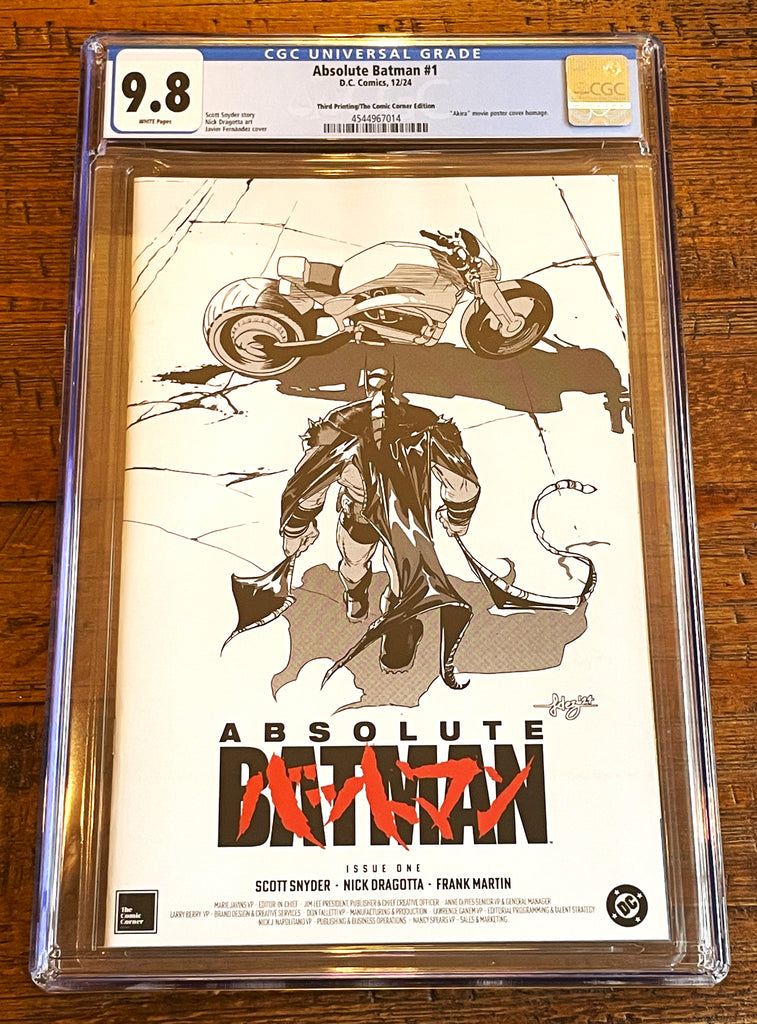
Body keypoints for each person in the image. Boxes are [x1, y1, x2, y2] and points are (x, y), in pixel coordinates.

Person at [279, 367, 479, 689]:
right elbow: (463, 485)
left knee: (377, 569)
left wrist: (298, 530)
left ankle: (381, 615)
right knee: (370, 567)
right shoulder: (422, 427)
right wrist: (457, 518)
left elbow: (307, 489)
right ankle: (368, 604)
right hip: (387, 520)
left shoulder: (341, 430)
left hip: (391, 520)